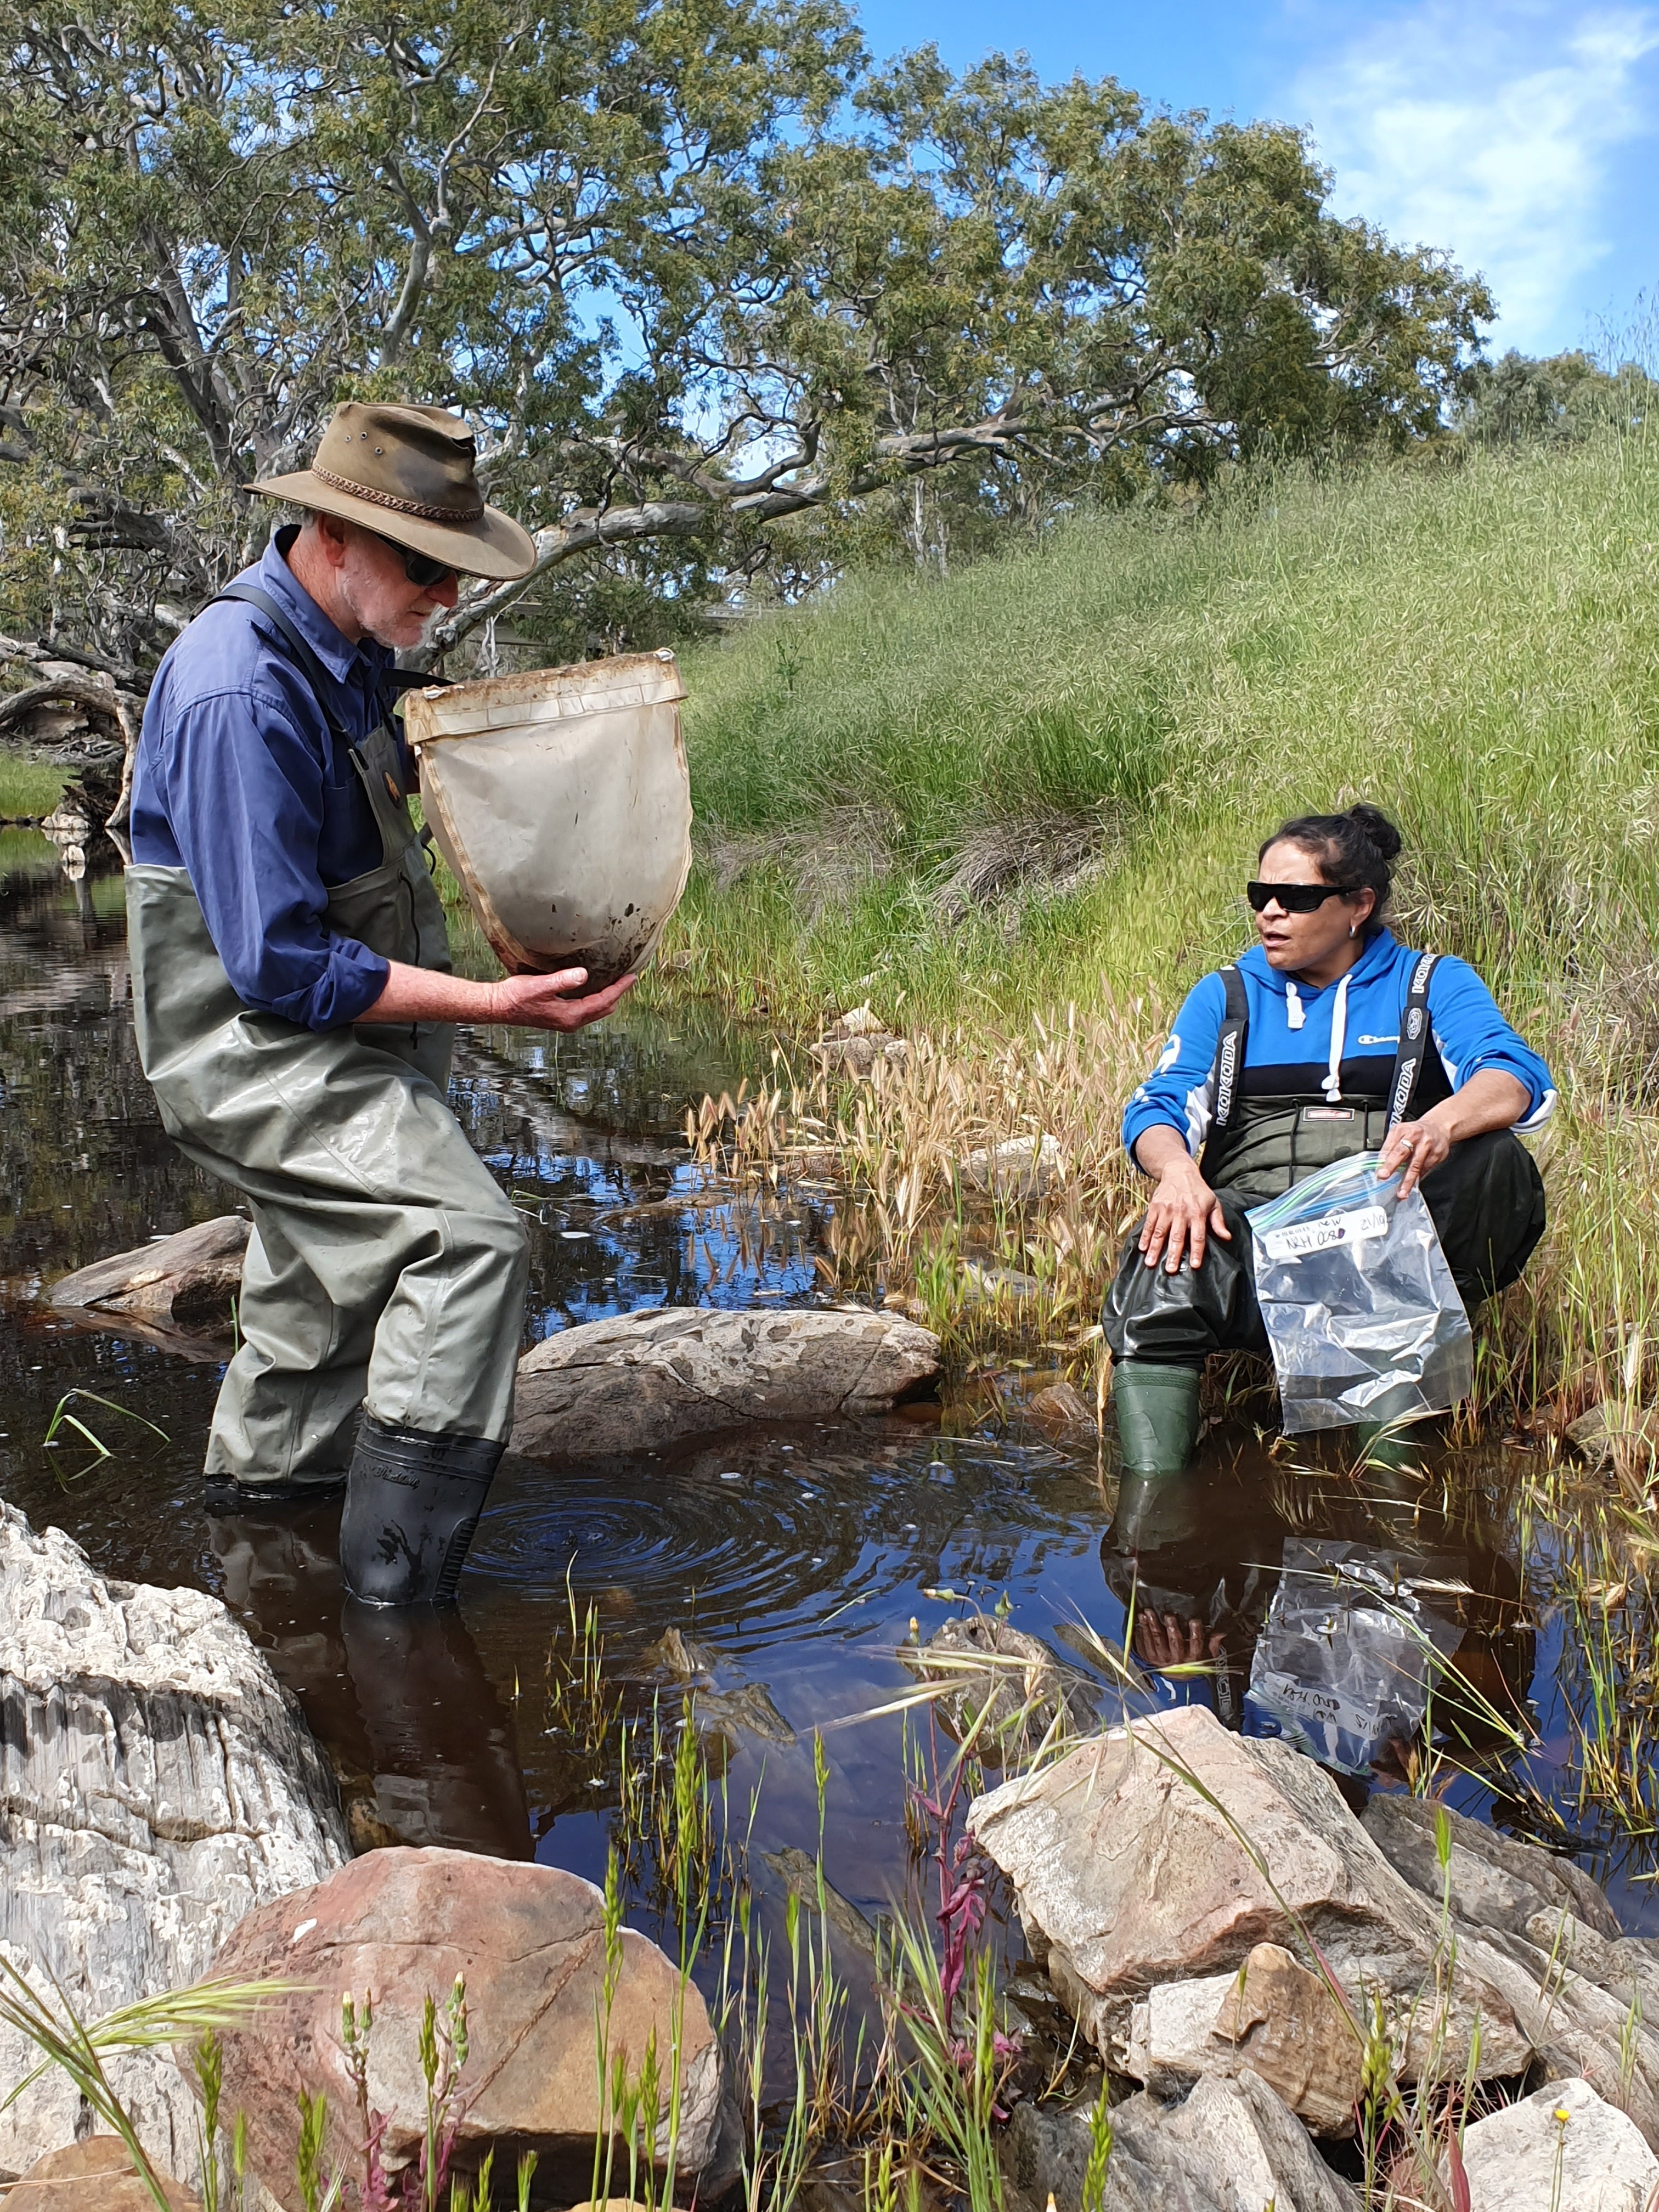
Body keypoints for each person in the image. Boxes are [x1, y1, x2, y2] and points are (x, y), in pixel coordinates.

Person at [128, 401, 633, 1605]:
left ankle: (256, 1575)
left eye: (456, 573)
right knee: (467, 1239)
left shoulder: (353, 663)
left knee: (319, 1311)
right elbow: (279, 968)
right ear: (334, 538)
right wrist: (495, 1006)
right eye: (427, 569)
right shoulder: (236, 691)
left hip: (339, 1044)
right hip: (253, 1053)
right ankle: (396, 1614)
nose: (446, 599)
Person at [1103, 803, 1554, 1476]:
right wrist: (1176, 1172)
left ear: (1358, 906)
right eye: (1261, 896)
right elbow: (1157, 1106)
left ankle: (1395, 1482)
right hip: (1259, 1233)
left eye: (1295, 898)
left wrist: (1439, 1123)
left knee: (1499, 1161)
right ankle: (1155, 1521)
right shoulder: (1225, 996)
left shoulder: (1431, 984)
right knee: (1162, 1255)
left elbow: (1514, 1079)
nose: (1269, 914)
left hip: (1387, 1234)